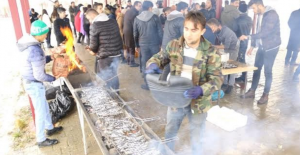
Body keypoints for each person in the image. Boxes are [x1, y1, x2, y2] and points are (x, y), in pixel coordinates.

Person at [146, 11, 222, 155]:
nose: (188, 34)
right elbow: (159, 57)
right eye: (186, 29)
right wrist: (152, 64)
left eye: (194, 30)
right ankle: (167, 152)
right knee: (170, 131)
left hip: (198, 102)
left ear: (202, 31)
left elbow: (217, 78)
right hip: (175, 97)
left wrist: (201, 89)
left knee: (197, 136)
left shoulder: (211, 52)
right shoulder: (174, 45)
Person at [17, 20, 63, 147]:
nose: (46, 36)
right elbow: (39, 75)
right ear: (39, 34)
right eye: (45, 34)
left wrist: (49, 58)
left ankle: (49, 128)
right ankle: (41, 139)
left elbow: (37, 62)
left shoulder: (30, 44)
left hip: (31, 82)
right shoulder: (34, 49)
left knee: (44, 107)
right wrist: (53, 78)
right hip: (34, 83)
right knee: (40, 111)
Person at [239, 0, 281, 104]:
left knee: (267, 71)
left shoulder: (272, 15)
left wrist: (248, 37)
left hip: (271, 47)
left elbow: (265, 33)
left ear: (259, 5)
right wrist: (253, 46)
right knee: (256, 69)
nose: (253, 11)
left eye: (253, 8)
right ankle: (252, 91)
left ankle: (265, 95)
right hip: (262, 46)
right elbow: (257, 31)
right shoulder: (260, 15)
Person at [86, 9, 123, 91]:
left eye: (89, 18)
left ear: (92, 16)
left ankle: (110, 95)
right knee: (113, 74)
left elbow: (93, 46)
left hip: (105, 56)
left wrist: (90, 49)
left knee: (106, 77)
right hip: (117, 53)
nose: (89, 21)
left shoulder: (95, 25)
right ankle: (116, 92)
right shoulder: (113, 21)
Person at [133, 1, 163, 90]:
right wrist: (161, 43)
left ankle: (147, 84)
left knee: (145, 63)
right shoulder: (155, 17)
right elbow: (160, 32)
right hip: (155, 44)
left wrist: (136, 45)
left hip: (143, 45)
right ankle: (157, 84)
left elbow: (135, 34)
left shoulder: (137, 18)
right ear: (150, 7)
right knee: (156, 62)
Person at [207, 18, 239, 94]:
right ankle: (224, 83)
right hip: (226, 50)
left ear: (216, 26)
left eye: (212, 28)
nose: (212, 30)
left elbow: (226, 46)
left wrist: (214, 46)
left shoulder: (227, 32)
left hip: (233, 49)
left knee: (232, 67)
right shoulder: (218, 31)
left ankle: (230, 85)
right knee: (224, 65)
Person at [234, 1, 252, 83]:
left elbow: (235, 30)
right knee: (242, 56)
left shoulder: (237, 20)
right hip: (246, 39)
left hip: (239, 40)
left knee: (239, 58)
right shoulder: (250, 19)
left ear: (239, 9)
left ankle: (243, 77)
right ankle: (243, 76)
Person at [123, 1, 142, 67]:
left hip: (126, 31)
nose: (140, 7)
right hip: (130, 32)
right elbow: (135, 25)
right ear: (135, 5)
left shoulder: (128, 11)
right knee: (131, 47)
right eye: (139, 6)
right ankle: (132, 62)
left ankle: (129, 61)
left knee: (128, 47)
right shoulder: (134, 13)